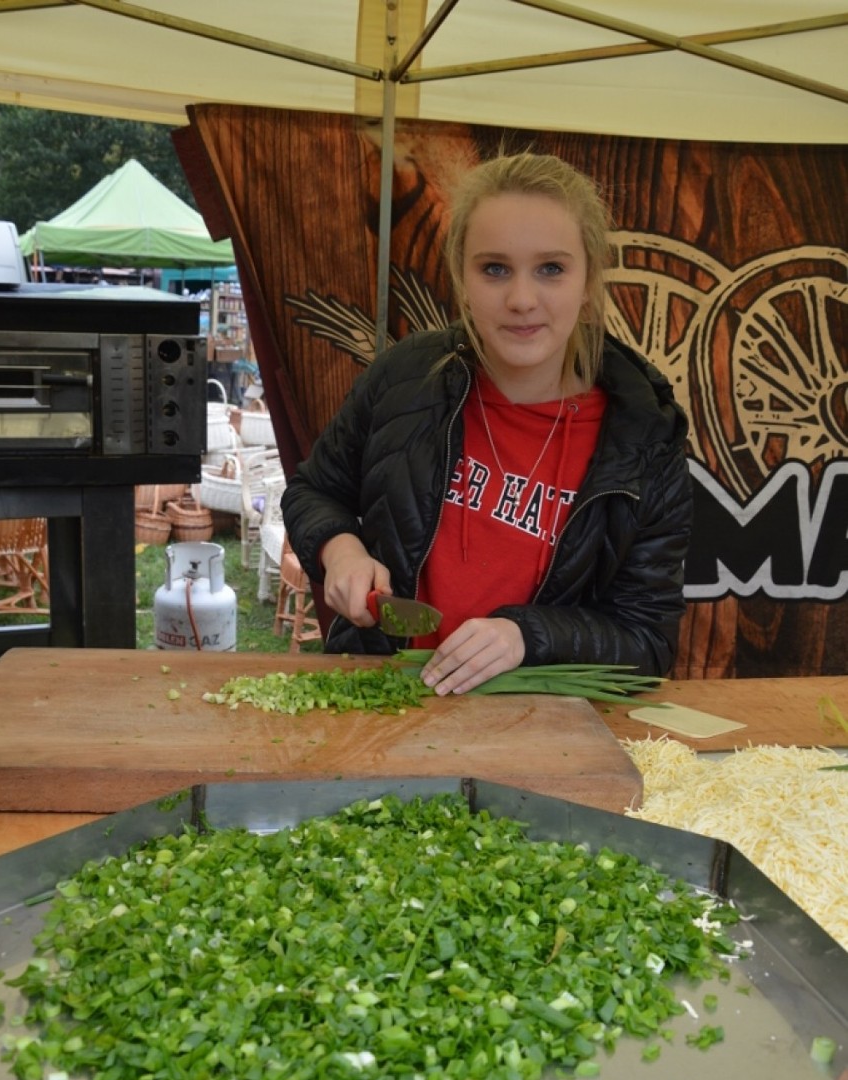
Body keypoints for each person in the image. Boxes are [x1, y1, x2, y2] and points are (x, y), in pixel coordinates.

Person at [281, 151, 692, 696]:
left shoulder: (646, 435)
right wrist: (342, 550)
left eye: (551, 268)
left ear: (589, 279)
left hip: (536, 727)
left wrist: (528, 636)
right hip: (381, 700)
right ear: (461, 276)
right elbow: (315, 490)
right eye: (494, 268)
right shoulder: (405, 376)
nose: (521, 299)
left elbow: (647, 640)